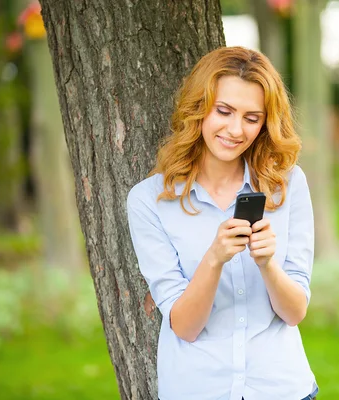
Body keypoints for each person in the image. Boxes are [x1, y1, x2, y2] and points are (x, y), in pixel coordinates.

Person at [126, 46, 318, 400]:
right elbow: (184, 326)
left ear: (265, 123)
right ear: (199, 108)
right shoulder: (149, 201)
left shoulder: (288, 185)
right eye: (224, 111)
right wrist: (213, 259)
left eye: (251, 117)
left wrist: (267, 266)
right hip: (198, 389)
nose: (235, 129)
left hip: (282, 389)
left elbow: (295, 312)